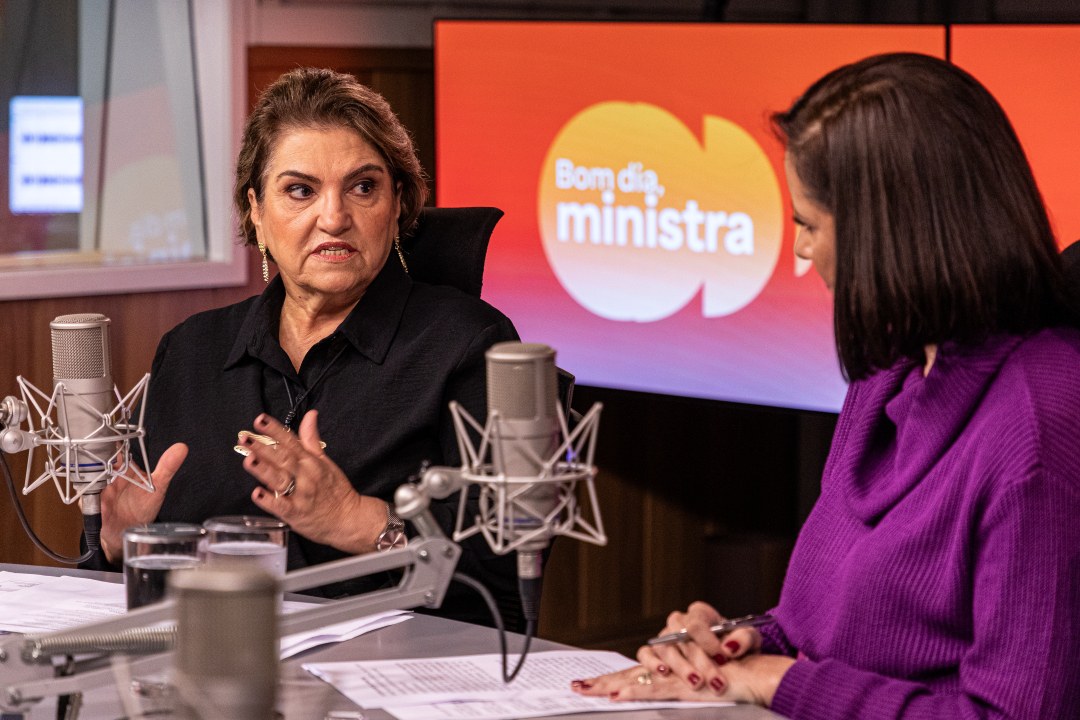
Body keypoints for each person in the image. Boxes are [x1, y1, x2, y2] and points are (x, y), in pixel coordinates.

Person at [572, 52, 1080, 718]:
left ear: (890, 232)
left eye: (809, 225)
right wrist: (742, 645)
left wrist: (778, 681)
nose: (801, 251)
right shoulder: (888, 371)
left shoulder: (1038, 431)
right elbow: (838, 629)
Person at [88, 67, 524, 629]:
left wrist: (358, 521)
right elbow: (112, 566)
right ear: (256, 211)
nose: (334, 218)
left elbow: (508, 572)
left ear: (398, 204)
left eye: (363, 187)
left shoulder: (468, 343)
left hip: (382, 666)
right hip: (201, 652)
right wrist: (117, 544)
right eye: (300, 191)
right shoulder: (191, 349)